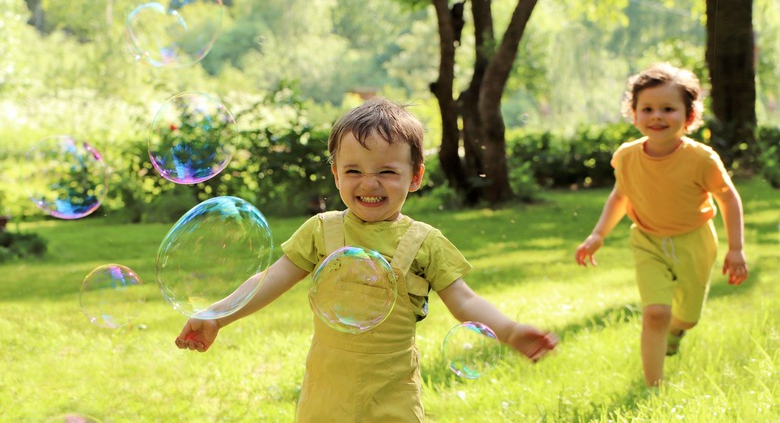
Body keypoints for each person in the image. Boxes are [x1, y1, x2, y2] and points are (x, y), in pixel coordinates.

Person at [175, 97, 559, 421]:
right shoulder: (321, 231)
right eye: (354, 170)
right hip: (325, 396)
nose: (369, 183)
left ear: (415, 176)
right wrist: (217, 315)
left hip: (393, 398)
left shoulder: (424, 242)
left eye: (387, 171)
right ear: (336, 175)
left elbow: (464, 299)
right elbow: (270, 279)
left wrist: (507, 330)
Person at [574, 63, 748, 388]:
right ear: (634, 113)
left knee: (687, 317)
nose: (657, 116)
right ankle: (654, 387)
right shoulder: (626, 156)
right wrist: (598, 234)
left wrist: (736, 249)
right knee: (655, 313)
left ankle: (677, 331)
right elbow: (619, 196)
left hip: (694, 241)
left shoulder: (702, 159)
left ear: (689, 116)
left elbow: (728, 198)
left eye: (668, 109)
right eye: (648, 109)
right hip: (647, 241)